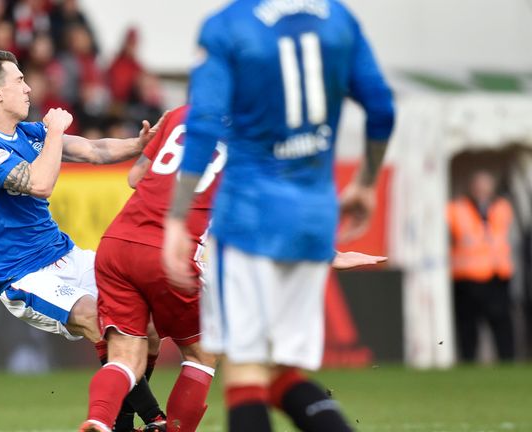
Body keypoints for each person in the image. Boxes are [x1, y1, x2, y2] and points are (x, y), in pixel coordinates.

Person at [162, 1, 395, 431]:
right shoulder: (339, 19)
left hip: (248, 220)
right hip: (313, 220)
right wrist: (365, 181)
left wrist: (176, 218)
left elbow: (204, 122)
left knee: (246, 371)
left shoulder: (226, 27)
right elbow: (381, 107)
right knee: (284, 374)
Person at [80, 106, 387, 432]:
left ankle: (99, 419)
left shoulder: (182, 112)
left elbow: (134, 177)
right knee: (202, 355)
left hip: (115, 244)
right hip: (168, 250)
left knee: (125, 358)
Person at [0, 50, 166, 431]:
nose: (28, 88)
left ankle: (123, 424)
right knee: (98, 318)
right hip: (22, 275)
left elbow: (95, 150)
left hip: (64, 254)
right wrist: (53, 132)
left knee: (145, 322)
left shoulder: (28, 133)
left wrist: (140, 144)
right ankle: (157, 420)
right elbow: (38, 183)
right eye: (19, 80)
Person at [448, 170, 515, 362]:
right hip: (467, 277)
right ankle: (468, 362)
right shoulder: (456, 208)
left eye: (485, 185)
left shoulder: (502, 207)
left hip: (497, 275)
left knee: (502, 324)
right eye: (478, 185)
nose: (482, 189)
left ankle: (508, 362)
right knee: (468, 326)